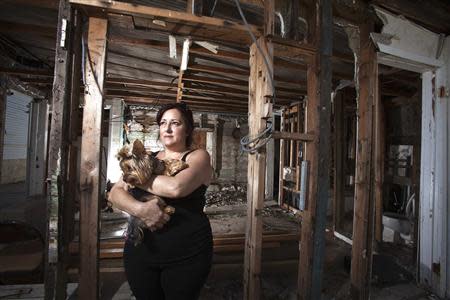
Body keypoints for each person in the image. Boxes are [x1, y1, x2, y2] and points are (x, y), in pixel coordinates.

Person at [108, 102, 213, 300]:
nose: (168, 128)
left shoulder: (198, 157)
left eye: (175, 122)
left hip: (186, 253)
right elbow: (114, 194)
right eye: (163, 122)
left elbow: (176, 188)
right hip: (141, 253)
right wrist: (139, 209)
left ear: (188, 128)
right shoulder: (147, 158)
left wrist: (135, 178)